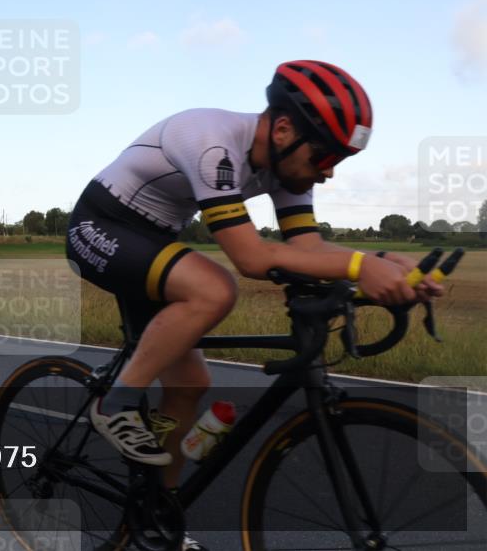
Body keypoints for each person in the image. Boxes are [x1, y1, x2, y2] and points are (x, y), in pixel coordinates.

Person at [64, 60, 444, 551]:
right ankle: (111, 402)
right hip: (102, 226)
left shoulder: (291, 164)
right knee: (214, 289)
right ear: (283, 128)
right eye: (325, 156)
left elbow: (307, 249)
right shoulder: (211, 139)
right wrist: (357, 267)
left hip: (154, 242)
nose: (326, 173)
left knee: (191, 384)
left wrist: (387, 263)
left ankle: (158, 516)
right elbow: (250, 256)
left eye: (337, 162)